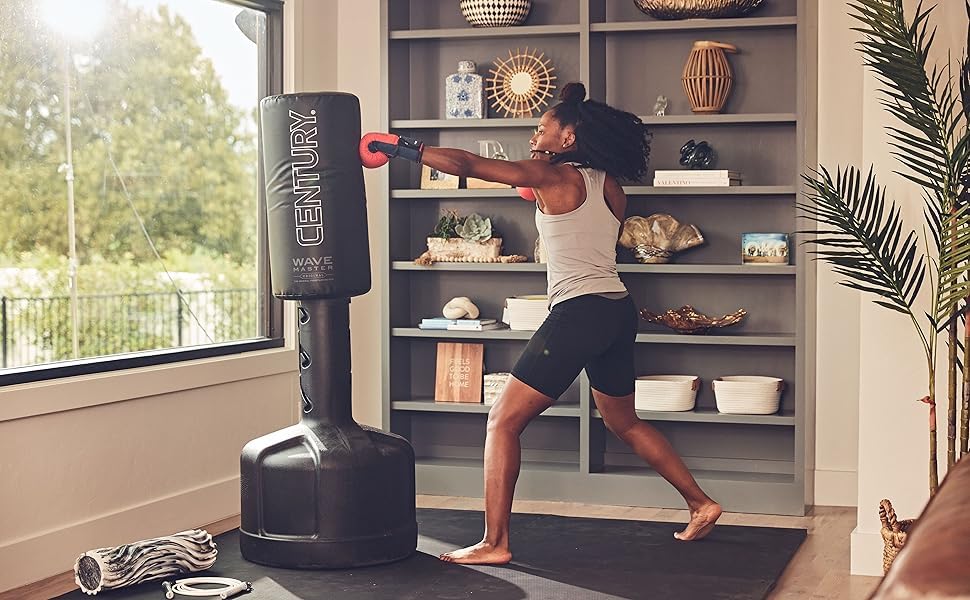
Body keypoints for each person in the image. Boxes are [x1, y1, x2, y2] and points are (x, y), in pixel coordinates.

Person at [362, 82, 721, 565]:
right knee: (625, 422)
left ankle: (495, 543)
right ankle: (701, 503)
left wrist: (402, 147)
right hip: (616, 309)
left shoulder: (551, 176)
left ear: (568, 137)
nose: (534, 135)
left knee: (502, 421)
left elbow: (467, 165)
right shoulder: (609, 185)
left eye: (542, 127)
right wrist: (545, 151)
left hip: (579, 312)